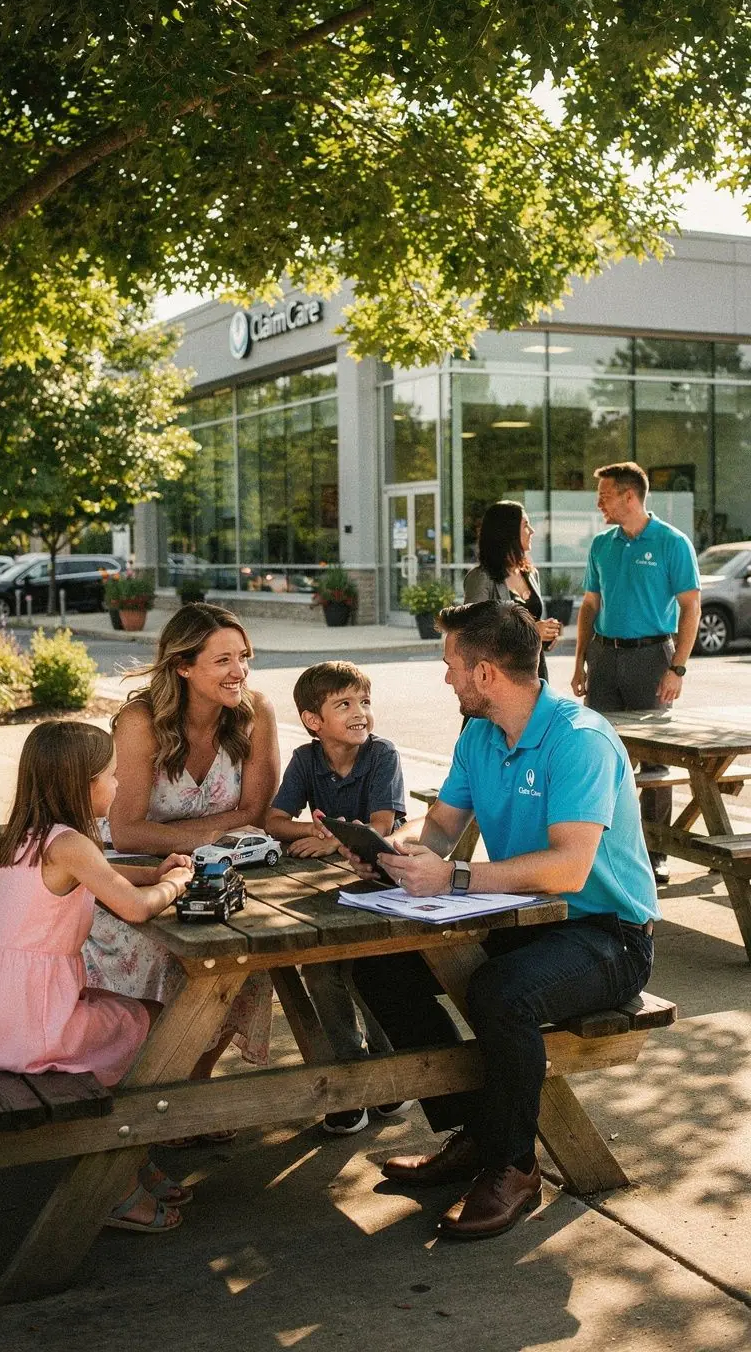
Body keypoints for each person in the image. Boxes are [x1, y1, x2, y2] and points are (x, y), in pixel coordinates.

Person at [350, 600, 658, 1241]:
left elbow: (570, 870)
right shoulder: (479, 734)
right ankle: (476, 1132)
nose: (446, 678)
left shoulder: (581, 739)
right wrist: (393, 852)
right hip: (521, 917)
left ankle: (514, 1168)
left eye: (451, 665)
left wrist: (454, 877)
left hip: (609, 934)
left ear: (485, 672)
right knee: (380, 965)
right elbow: (439, 828)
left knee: (501, 994)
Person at [0, 721, 194, 1232]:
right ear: (82, 784)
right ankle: (116, 1179)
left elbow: (105, 874)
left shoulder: (28, 834)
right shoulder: (71, 845)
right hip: (31, 1026)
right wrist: (173, 883)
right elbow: (133, 908)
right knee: (154, 1023)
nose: (120, 784)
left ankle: (127, 1159)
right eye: (110, 775)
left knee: (130, 1012)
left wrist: (153, 870)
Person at [84, 604, 280, 1088]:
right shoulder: (141, 720)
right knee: (152, 947)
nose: (240, 672)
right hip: (132, 870)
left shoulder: (257, 712)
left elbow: (255, 812)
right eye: (223, 661)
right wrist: (214, 834)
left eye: (244, 657)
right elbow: (126, 829)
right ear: (183, 666)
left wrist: (202, 841)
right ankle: (148, 1081)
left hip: (215, 871)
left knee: (245, 952)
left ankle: (194, 1080)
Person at [266, 661, 410, 1135]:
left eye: (364, 703)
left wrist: (332, 841)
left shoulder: (382, 754)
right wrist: (315, 829)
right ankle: (350, 1074)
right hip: (328, 885)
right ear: (314, 721)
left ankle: (385, 1070)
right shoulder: (307, 760)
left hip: (380, 879)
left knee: (372, 965)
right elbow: (275, 821)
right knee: (321, 965)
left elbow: (383, 827)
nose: (360, 713)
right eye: (344, 704)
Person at [571, 462, 701, 885]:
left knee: (655, 760)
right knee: (600, 755)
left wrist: (677, 668)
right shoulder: (601, 545)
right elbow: (590, 606)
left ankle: (656, 852)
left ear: (630, 496)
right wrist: (579, 664)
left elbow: (690, 607)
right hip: (604, 659)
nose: (599, 503)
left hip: (652, 659)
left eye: (605, 495)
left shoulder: (671, 542)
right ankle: (603, 849)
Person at [463, 500, 561, 681]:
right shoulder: (482, 578)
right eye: (525, 525)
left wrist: (546, 635)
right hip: (501, 680)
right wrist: (532, 632)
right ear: (506, 531)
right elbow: (473, 636)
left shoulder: (531, 574)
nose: (532, 531)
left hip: (535, 676)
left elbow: (534, 626)